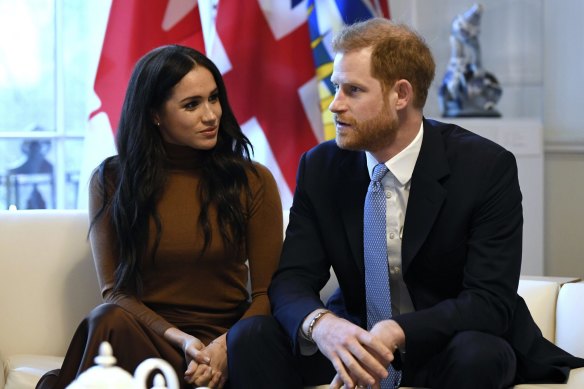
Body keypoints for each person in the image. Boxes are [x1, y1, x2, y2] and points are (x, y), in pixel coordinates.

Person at [227, 18, 584, 389]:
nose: (335, 105)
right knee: (250, 338)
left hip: (444, 343)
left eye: (353, 90)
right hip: (352, 343)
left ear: (401, 95)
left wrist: (397, 330)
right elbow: (292, 280)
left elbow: (490, 301)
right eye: (336, 88)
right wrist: (323, 326)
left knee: (480, 355)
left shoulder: (485, 167)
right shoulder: (321, 167)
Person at [35, 45, 282, 389]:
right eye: (192, 104)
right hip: (151, 336)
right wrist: (182, 341)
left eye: (214, 98)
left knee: (255, 336)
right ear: (155, 114)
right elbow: (116, 292)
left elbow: (267, 293)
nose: (211, 115)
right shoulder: (111, 180)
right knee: (109, 319)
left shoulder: (253, 180)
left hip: (228, 340)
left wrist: (222, 348)